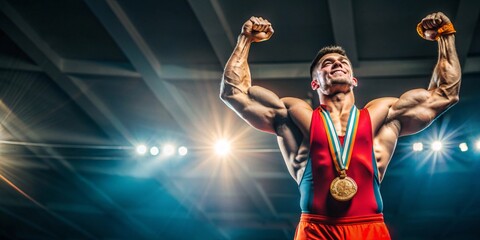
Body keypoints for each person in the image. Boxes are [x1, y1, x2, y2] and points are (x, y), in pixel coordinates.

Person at [220, 12, 460, 240]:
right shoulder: (294, 116)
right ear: (315, 83)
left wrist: (446, 36)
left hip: (369, 229)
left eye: (343, 61)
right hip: (316, 229)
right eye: (327, 63)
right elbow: (233, 93)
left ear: (353, 80)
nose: (337, 63)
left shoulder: (383, 114)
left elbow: (445, 94)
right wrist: (245, 40)